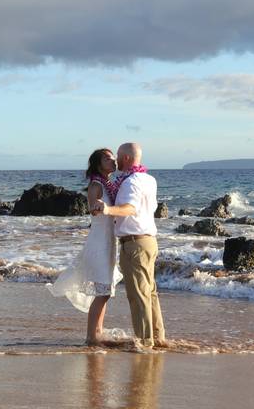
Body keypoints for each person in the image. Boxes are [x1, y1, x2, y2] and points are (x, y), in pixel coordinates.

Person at [47, 148, 122, 345]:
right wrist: (97, 206)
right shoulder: (96, 185)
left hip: (108, 241)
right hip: (99, 242)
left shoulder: (109, 185)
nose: (113, 161)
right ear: (98, 165)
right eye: (108, 159)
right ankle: (92, 336)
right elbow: (92, 208)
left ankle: (97, 332)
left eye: (113, 158)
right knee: (103, 291)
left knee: (105, 292)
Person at [95, 142, 166, 350]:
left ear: (126, 158)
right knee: (150, 292)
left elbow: (129, 208)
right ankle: (157, 336)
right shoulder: (149, 179)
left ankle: (144, 342)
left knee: (138, 295)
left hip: (134, 243)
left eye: (118, 156)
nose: (116, 160)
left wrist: (108, 210)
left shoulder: (129, 182)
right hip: (149, 241)